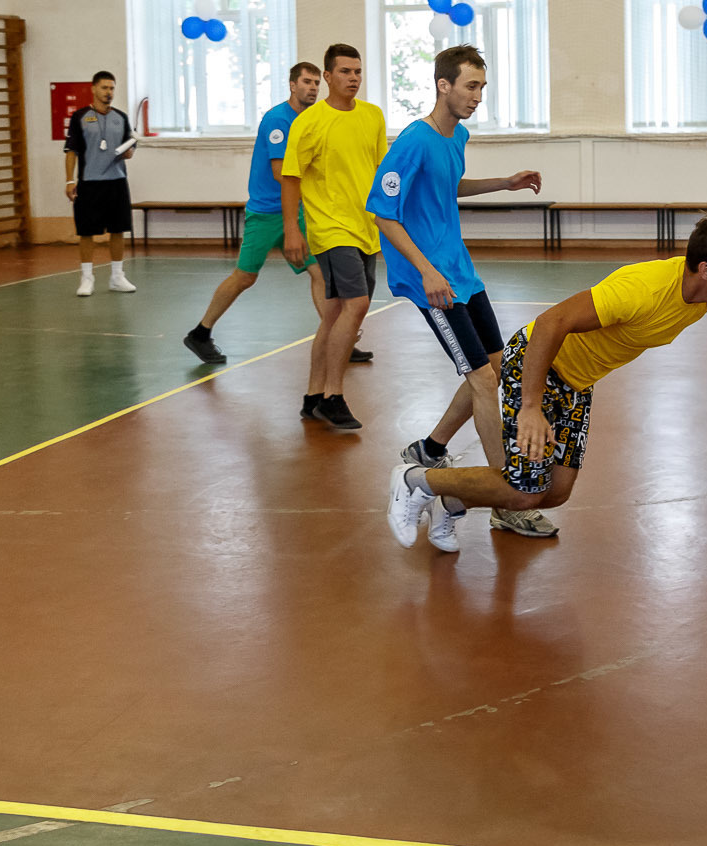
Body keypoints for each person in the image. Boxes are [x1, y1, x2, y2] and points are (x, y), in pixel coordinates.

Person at [385, 217, 707, 550]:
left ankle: (451, 497)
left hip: (576, 381)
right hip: (535, 364)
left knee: (556, 492)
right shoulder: (639, 290)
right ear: (706, 269)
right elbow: (552, 322)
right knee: (524, 490)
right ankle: (415, 481)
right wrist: (530, 406)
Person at [368, 45, 547, 547]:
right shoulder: (412, 141)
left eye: (482, 88)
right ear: (443, 85)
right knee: (485, 381)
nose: (477, 97)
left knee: (493, 368)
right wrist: (425, 271)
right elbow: (383, 211)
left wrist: (503, 184)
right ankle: (504, 496)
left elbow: (448, 188)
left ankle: (430, 448)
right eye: (471, 86)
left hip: (461, 273)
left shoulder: (457, 136)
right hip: (432, 281)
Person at [183, 62, 324, 365]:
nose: (312, 88)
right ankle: (200, 333)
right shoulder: (277, 120)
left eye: (316, 83)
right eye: (307, 82)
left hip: (298, 209)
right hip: (266, 213)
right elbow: (280, 172)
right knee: (245, 277)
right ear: (292, 85)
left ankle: (340, 338)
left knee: (319, 271)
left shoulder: (313, 119)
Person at [281, 44, 388, 431]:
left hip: (366, 229)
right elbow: (291, 177)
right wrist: (293, 231)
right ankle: (334, 395)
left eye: (357, 71)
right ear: (328, 76)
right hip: (329, 229)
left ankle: (312, 397)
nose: (353, 78)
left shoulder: (373, 116)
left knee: (333, 315)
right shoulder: (308, 123)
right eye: (345, 71)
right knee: (356, 304)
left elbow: (379, 170)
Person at [64, 71, 137, 296]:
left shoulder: (121, 117)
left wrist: (129, 151)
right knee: (87, 232)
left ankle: (117, 276)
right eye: (105, 88)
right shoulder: (80, 117)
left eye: (112, 88)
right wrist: (70, 180)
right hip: (89, 183)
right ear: (94, 88)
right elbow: (71, 151)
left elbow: (130, 148)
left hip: (116, 182)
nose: (109, 93)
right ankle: (87, 278)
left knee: (118, 230)